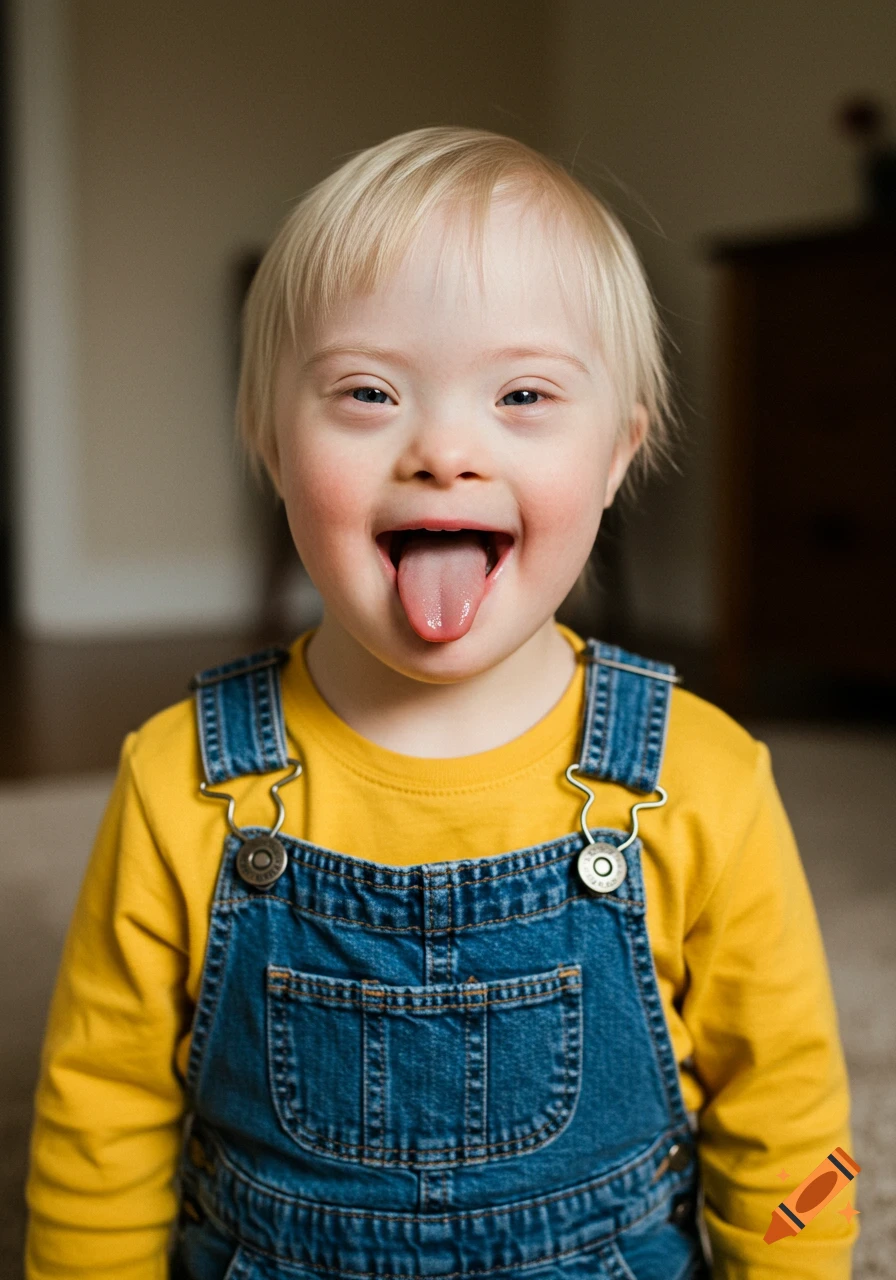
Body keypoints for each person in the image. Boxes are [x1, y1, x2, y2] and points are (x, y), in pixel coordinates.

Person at [25, 126, 856, 1280]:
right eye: (367, 392)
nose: (445, 449)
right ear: (271, 442)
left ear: (616, 455)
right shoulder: (180, 778)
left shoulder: (701, 774)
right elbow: (96, 1112)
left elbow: (801, 1123)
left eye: (521, 393)